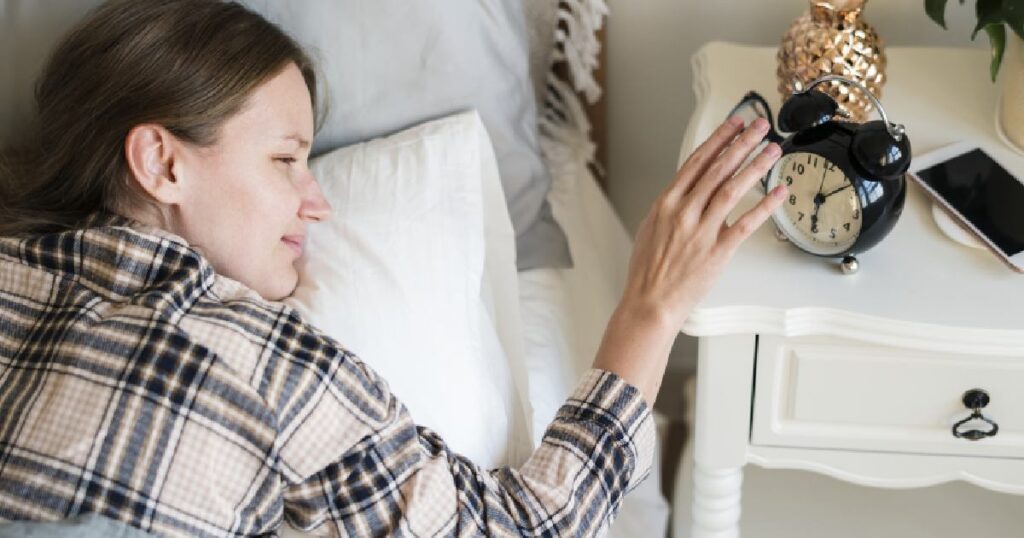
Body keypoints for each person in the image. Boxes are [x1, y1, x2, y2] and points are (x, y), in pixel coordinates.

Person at [0, 0, 786, 536]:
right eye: (285, 161)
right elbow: (522, 526)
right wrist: (649, 310)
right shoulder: (272, 364)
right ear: (161, 162)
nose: (318, 204)